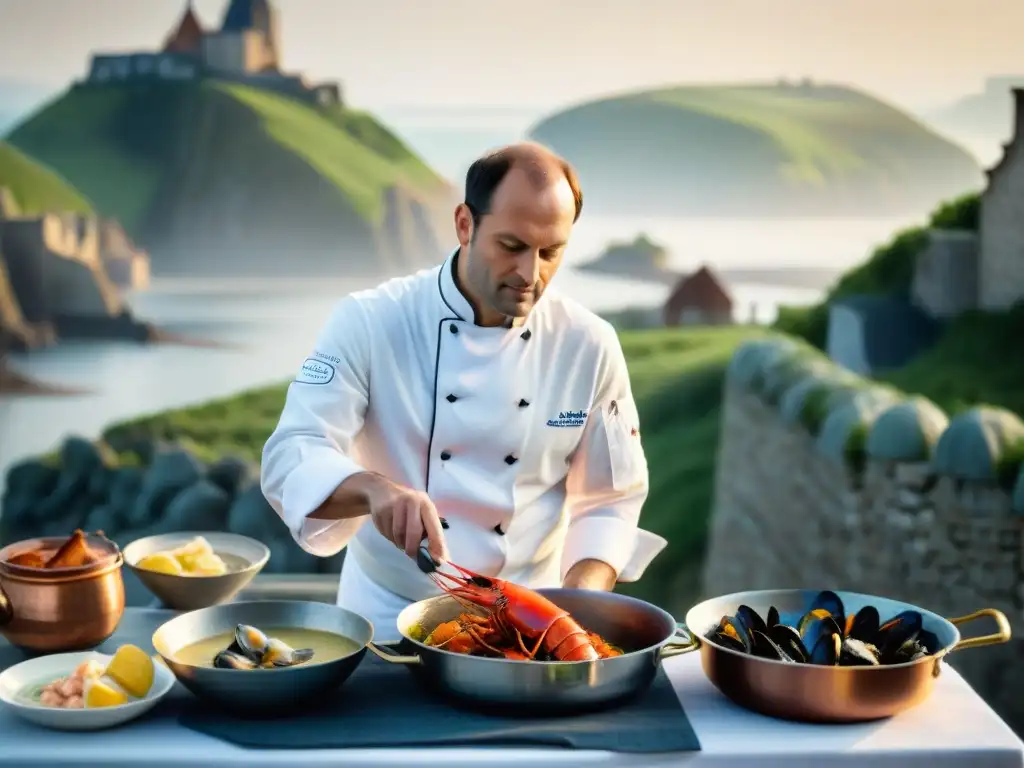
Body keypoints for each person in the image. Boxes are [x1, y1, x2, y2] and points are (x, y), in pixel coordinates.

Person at [260, 142, 667, 639]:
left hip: (531, 622)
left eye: (551, 253)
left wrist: (576, 610)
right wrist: (375, 491)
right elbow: (291, 455)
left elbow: (610, 499)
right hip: (387, 616)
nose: (529, 275)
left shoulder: (590, 344)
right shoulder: (370, 320)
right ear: (464, 224)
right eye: (511, 246)